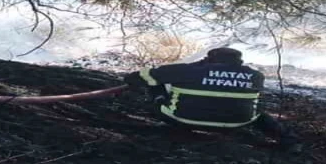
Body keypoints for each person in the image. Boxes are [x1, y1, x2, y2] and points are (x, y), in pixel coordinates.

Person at [124, 47, 294, 145]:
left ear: (209, 59)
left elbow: (136, 77)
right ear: (239, 62)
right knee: (257, 111)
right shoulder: (256, 75)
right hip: (238, 124)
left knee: (154, 81)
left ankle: (170, 111)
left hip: (180, 119)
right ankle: (287, 140)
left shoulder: (187, 70)